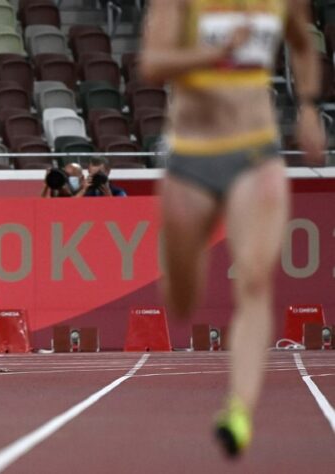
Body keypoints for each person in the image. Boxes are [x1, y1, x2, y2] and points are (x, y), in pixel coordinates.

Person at [140, 0, 324, 458]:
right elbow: (153, 64)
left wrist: (307, 107)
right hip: (191, 155)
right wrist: (216, 51)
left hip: (256, 152)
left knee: (256, 281)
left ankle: (238, 410)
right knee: (182, 297)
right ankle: (181, 269)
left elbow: (303, 44)